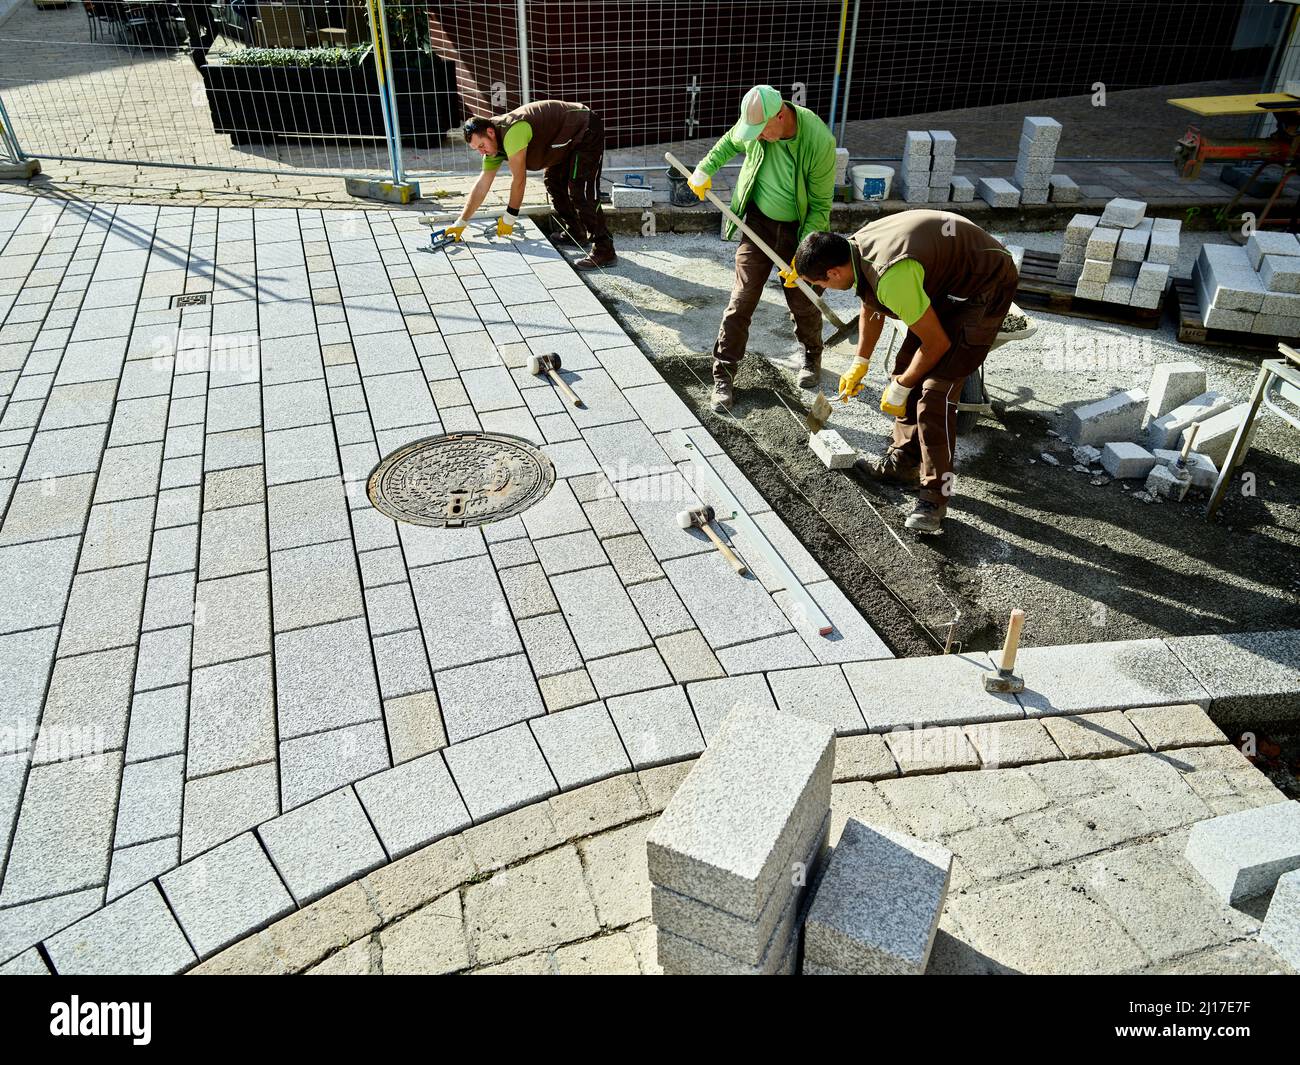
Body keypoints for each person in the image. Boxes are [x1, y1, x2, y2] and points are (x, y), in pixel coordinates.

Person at [793, 212, 1018, 534]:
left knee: (933, 394)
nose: (823, 289)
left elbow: (936, 343)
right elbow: (870, 303)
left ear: (833, 271)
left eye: (821, 284)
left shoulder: (891, 276)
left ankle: (934, 500)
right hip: (947, 280)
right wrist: (861, 361)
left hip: (985, 282)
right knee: (904, 367)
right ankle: (902, 463)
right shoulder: (855, 249)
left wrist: (903, 386)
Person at [687, 85, 836, 411]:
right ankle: (723, 374)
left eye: (763, 130)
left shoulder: (819, 142)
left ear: (781, 114)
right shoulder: (755, 129)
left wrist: (803, 256)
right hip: (757, 223)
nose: (756, 136)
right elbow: (729, 142)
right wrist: (704, 168)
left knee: (803, 299)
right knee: (741, 301)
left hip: (800, 228)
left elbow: (820, 207)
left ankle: (812, 353)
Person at [448, 101, 615, 269]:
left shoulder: (512, 132)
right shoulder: (493, 147)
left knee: (581, 191)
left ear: (490, 132)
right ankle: (576, 233)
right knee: (554, 182)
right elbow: (482, 185)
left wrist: (510, 217)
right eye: (477, 149)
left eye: (482, 145)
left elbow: (519, 179)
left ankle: (604, 249)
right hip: (563, 139)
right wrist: (461, 222)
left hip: (585, 128)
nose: (481, 152)